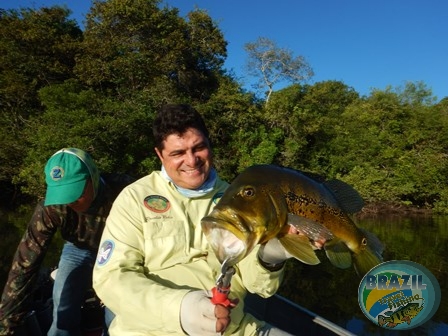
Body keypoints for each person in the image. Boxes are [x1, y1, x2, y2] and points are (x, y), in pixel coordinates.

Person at [93, 104, 294, 335]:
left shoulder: (241, 198)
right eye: (178, 153)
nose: (191, 161)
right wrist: (181, 310)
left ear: (209, 144)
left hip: (235, 329)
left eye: (199, 148)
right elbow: (111, 278)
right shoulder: (134, 198)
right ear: (159, 154)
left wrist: (272, 255)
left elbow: (259, 286)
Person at [0, 148, 136, 336]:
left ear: (93, 178)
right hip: (78, 249)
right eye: (63, 194)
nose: (69, 201)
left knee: (117, 314)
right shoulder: (52, 207)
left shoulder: (126, 190)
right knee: (62, 308)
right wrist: (6, 326)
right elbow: (24, 265)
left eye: (75, 192)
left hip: (121, 251)